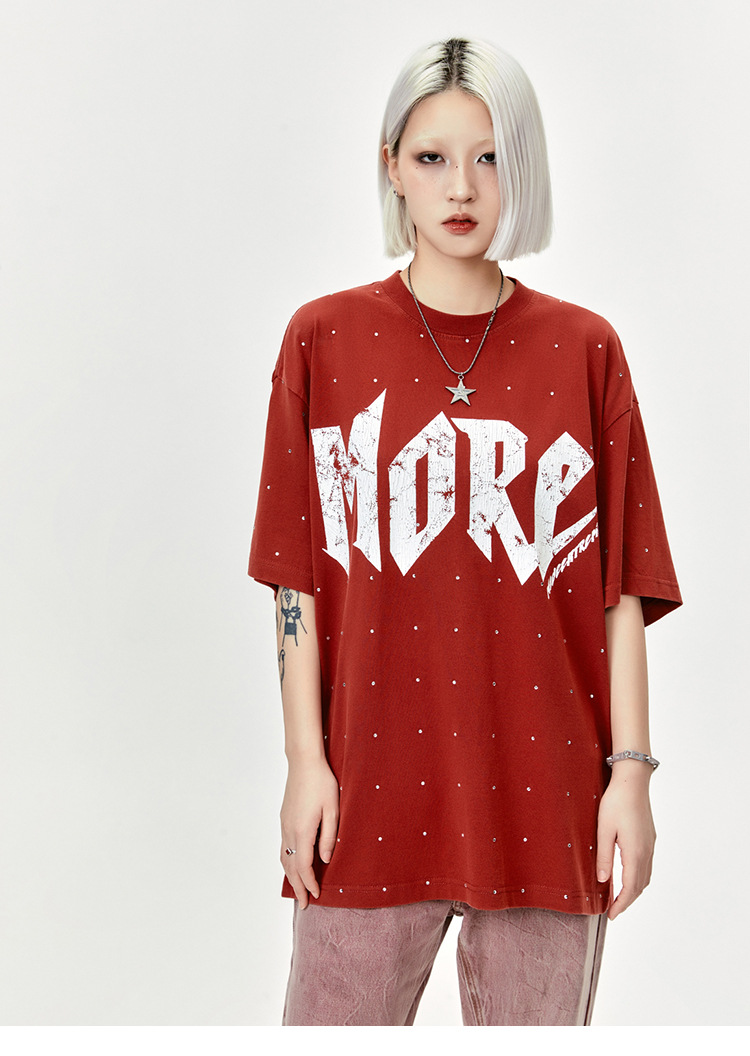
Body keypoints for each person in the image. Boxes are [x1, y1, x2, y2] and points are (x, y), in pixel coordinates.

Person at [248, 37, 682, 1026]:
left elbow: (619, 591)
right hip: (365, 796)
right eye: (432, 157)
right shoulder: (321, 341)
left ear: (522, 169)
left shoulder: (587, 350)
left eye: (490, 158)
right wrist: (305, 762)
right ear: (391, 168)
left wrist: (632, 777)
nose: (461, 188)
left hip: (547, 799)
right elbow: (294, 580)